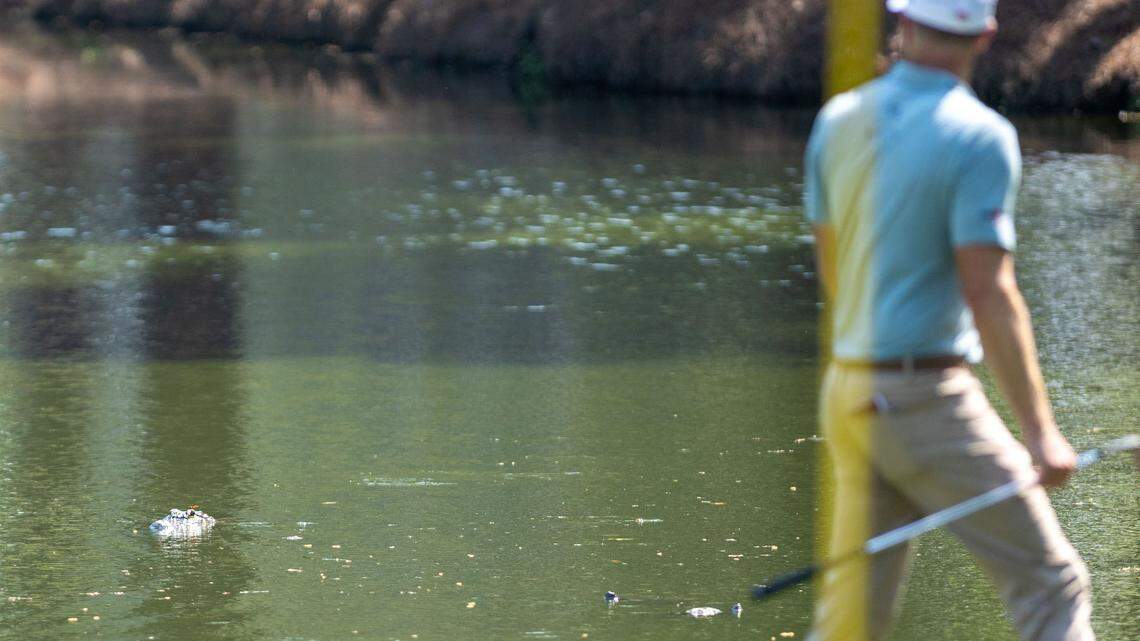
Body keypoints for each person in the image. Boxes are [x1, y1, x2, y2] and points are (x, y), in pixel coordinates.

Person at [802, 1, 1093, 640]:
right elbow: (989, 291)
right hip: (924, 399)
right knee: (1053, 587)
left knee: (852, 619)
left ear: (900, 23)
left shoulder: (839, 119)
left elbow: (833, 266)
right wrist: (1042, 434)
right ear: (985, 35)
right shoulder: (979, 136)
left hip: (848, 391)